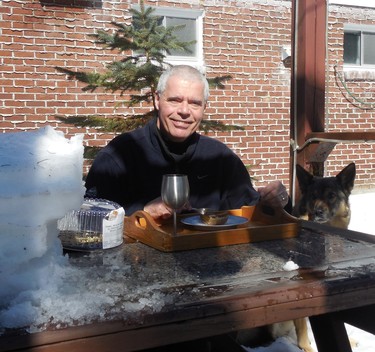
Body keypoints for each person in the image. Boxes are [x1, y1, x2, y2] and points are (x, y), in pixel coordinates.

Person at [85, 65, 290, 221]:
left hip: (211, 272)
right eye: (175, 100)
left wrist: (275, 201)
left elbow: (252, 216)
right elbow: (88, 223)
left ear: (204, 107)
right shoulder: (119, 156)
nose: (184, 111)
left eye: (194, 103)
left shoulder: (221, 159)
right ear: (157, 100)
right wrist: (143, 213)